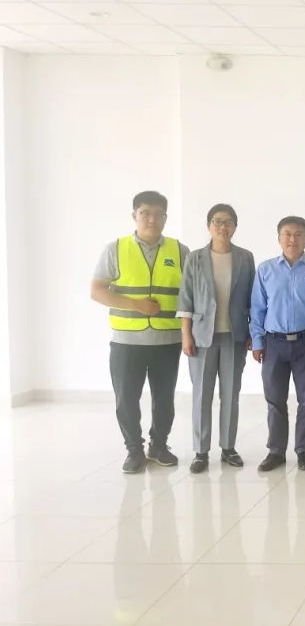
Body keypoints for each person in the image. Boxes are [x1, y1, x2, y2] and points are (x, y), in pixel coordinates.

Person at [91, 191, 189, 474]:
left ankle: (159, 446)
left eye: (158, 214)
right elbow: (97, 290)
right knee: (126, 399)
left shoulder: (179, 251)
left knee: (164, 398)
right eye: (145, 213)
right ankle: (134, 450)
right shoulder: (115, 249)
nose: (151, 219)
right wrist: (136, 305)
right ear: (134, 215)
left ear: (166, 218)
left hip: (167, 340)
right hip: (127, 341)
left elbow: (189, 295)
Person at [176, 204, 256, 474]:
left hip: (235, 336)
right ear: (209, 225)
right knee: (202, 395)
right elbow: (186, 298)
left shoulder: (245, 257)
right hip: (201, 337)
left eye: (228, 222)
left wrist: (253, 333)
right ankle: (200, 451)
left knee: (231, 395)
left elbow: (252, 299)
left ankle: (228, 447)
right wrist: (186, 335)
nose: (223, 227)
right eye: (218, 221)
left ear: (235, 227)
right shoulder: (194, 258)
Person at [250, 216, 305, 473]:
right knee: (275, 399)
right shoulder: (265, 270)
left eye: (298, 234)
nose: (292, 239)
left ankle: (303, 450)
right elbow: (257, 308)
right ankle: (276, 451)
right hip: (274, 343)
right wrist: (257, 341)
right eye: (287, 234)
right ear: (279, 238)